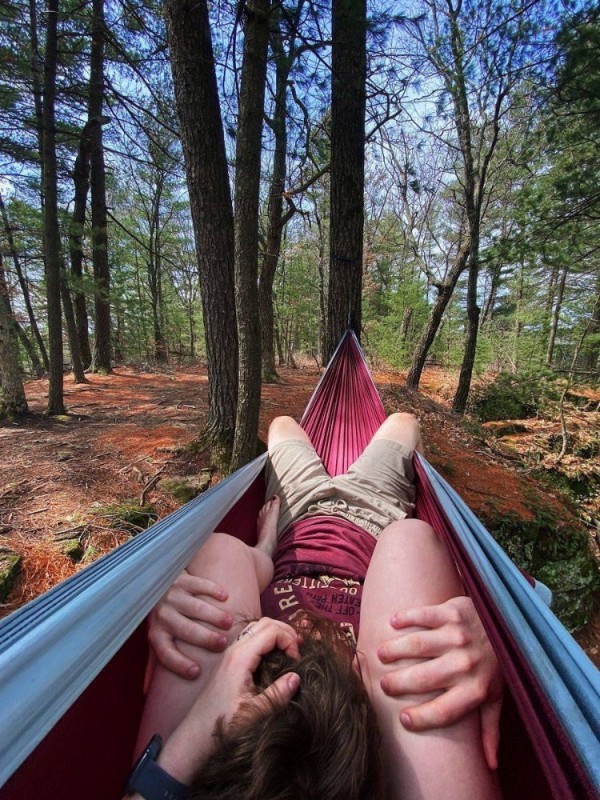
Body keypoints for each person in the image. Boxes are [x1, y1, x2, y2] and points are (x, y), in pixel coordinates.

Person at [128, 414, 502, 799]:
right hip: (374, 516)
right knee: (404, 425)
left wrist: (265, 547)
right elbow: (411, 546)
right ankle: (424, 493)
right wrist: (503, 629)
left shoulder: (209, 761)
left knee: (282, 425)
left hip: (293, 517)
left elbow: (224, 556)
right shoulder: (383, 722)